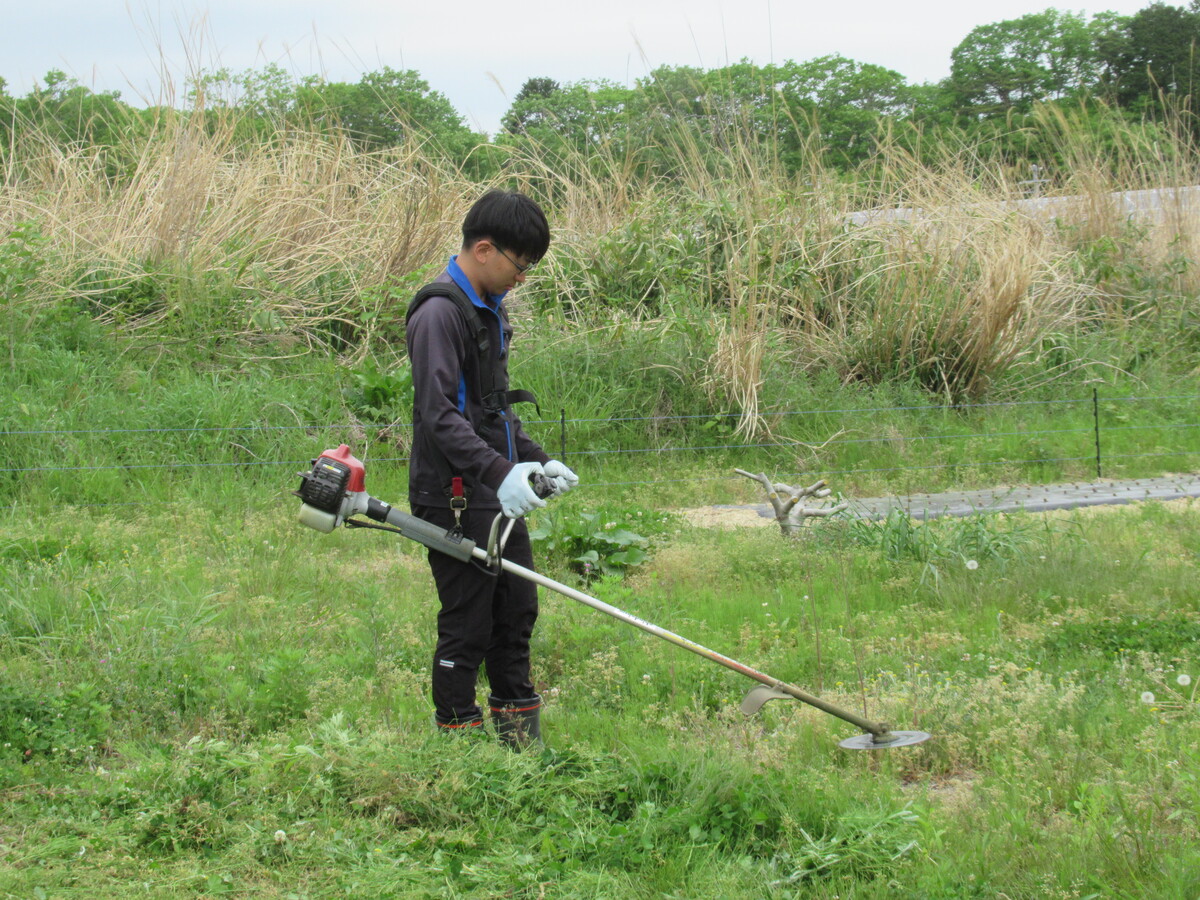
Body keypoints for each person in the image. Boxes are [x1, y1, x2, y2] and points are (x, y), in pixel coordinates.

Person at [405, 189, 578, 746]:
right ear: (484, 249)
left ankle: (519, 743)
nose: (521, 279)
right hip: (455, 494)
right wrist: (496, 472)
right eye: (519, 266)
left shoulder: (489, 312)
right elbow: (439, 415)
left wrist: (533, 459)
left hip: (492, 490)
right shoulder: (439, 313)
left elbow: (491, 408)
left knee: (516, 610)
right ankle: (458, 749)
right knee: (468, 623)